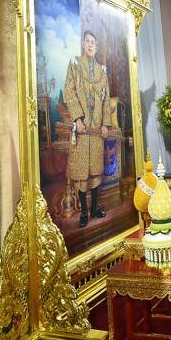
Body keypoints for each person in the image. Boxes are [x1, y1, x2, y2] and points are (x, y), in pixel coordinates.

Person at [64, 30, 112, 228]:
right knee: (82, 172)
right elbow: (69, 90)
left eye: (93, 42)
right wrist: (77, 118)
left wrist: (105, 124)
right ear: (83, 45)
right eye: (87, 41)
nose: (90, 45)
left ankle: (94, 208)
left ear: (96, 46)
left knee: (95, 171)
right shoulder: (75, 65)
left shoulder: (102, 71)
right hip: (82, 130)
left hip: (96, 130)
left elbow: (106, 98)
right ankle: (84, 211)